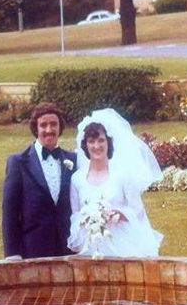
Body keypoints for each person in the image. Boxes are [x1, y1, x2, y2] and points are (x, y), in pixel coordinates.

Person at [67, 108, 163, 257]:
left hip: (123, 244)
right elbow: (75, 214)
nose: (96, 146)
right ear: (85, 145)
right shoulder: (77, 179)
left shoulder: (123, 175)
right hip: (91, 245)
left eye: (101, 140)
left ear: (109, 142)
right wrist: (88, 218)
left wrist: (118, 214)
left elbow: (137, 210)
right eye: (91, 141)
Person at [1, 102, 77, 259]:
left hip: (68, 248)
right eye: (43, 125)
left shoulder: (73, 160)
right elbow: (9, 212)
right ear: (36, 129)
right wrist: (12, 254)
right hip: (33, 249)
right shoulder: (18, 162)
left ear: (60, 127)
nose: (49, 130)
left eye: (53, 124)